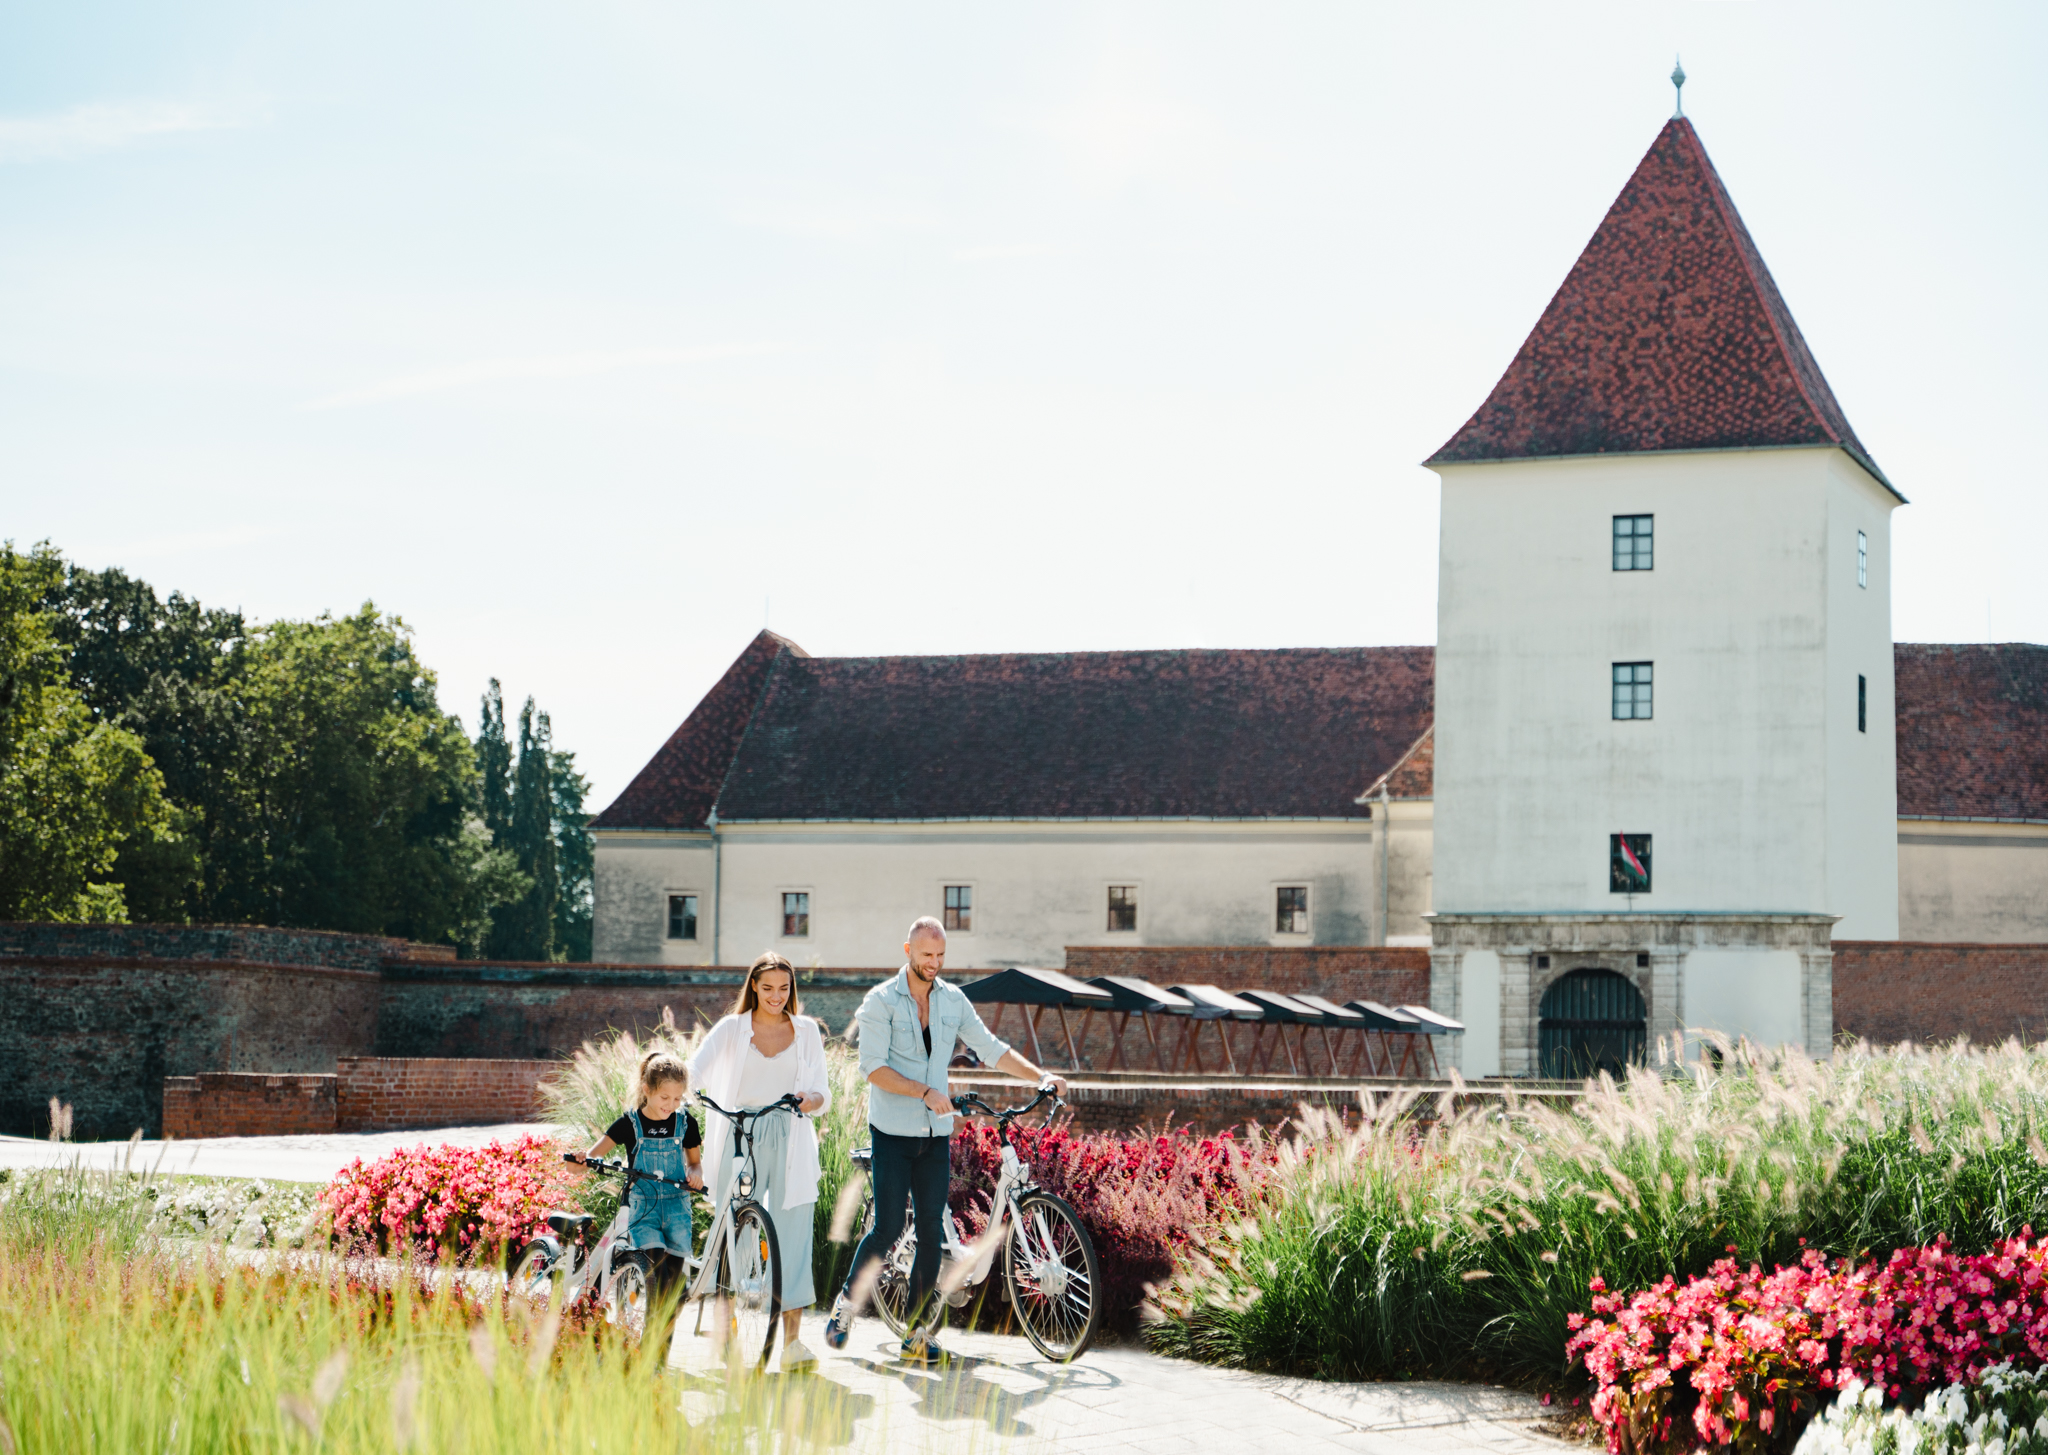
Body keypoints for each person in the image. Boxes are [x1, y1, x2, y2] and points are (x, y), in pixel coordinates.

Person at [823, 916, 1067, 1364]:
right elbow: (872, 1068)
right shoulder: (880, 1001)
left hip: (935, 1135)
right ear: (908, 951)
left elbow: (990, 1048)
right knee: (887, 1228)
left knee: (931, 1230)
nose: (934, 963)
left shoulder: (953, 1000)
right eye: (926, 955)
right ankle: (846, 1304)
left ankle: (916, 1332)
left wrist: (1040, 1075)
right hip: (892, 1133)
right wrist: (923, 1091)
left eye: (940, 955)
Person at [688, 951, 833, 1374]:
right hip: (740, 1135)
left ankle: (792, 1344)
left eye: (784, 988)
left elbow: (822, 1093)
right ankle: (727, 1333)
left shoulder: (806, 1031)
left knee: (793, 1238)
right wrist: (676, 1101)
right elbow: (693, 1072)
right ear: (753, 985)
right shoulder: (732, 1029)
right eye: (767, 987)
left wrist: (811, 1100)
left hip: (791, 1138)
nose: (775, 996)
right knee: (732, 1236)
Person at [571, 1049, 705, 1304]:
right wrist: (581, 1160)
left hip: (677, 1210)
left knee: (673, 1293)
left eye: (677, 1098)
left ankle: (661, 1332)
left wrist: (695, 1175)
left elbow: (695, 1163)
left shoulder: (686, 1123)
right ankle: (649, 1331)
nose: (671, 1105)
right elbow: (592, 1156)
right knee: (658, 1280)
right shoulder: (629, 1124)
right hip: (644, 1211)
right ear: (647, 1089)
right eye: (665, 1097)